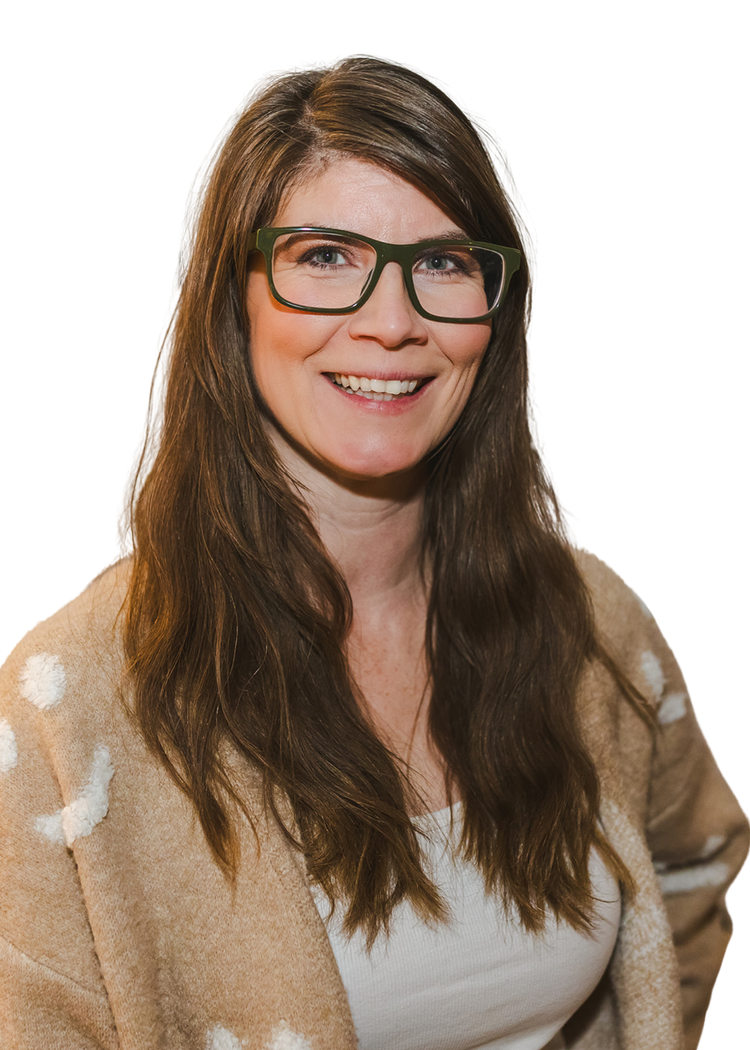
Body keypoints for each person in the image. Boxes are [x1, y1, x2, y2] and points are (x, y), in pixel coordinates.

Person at [0, 56, 746, 1050]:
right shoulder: (74, 706)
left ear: (495, 311)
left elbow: (690, 876)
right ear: (236, 299)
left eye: (443, 263)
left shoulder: (589, 625)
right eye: (325, 258)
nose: (390, 323)